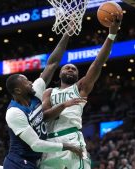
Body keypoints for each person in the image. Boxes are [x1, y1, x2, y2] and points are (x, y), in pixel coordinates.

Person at [40, 14, 122, 169]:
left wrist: (111, 34)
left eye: (74, 69)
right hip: (50, 144)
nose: (70, 69)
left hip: (72, 138)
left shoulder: (80, 88)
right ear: (60, 73)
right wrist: (63, 105)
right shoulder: (49, 92)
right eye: (67, 67)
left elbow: (98, 63)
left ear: (78, 76)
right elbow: (43, 116)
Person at [4, 33, 83, 169]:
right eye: (26, 82)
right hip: (18, 162)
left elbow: (52, 64)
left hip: (35, 160)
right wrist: (67, 146)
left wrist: (66, 35)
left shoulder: (34, 92)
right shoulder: (14, 113)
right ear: (18, 91)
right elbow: (35, 144)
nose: (30, 83)